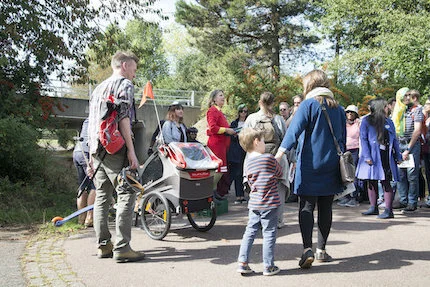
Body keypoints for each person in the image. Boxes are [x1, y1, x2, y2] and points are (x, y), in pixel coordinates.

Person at [275, 69, 345, 269]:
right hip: (331, 166)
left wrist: (278, 156)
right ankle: (322, 250)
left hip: (309, 165)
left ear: (310, 86)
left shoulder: (308, 105)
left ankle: (308, 249)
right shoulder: (338, 108)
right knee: (326, 208)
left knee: (306, 207)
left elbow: (293, 132)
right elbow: (342, 140)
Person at [87, 51, 145, 263]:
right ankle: (122, 247)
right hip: (116, 146)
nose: (134, 74)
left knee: (102, 196)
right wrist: (131, 150)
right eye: (134, 68)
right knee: (127, 192)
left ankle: (104, 246)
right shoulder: (125, 85)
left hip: (97, 148)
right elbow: (123, 117)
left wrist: (90, 158)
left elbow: (91, 123)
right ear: (123, 65)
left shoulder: (98, 88)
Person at [236, 128, 282, 276]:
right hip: (269, 202)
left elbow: (249, 183)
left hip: (254, 203)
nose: (264, 144)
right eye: (263, 141)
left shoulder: (248, 163)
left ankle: (242, 262)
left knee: (249, 232)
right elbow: (279, 173)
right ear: (256, 142)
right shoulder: (268, 158)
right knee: (269, 233)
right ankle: (268, 266)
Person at [244, 92, 288, 229]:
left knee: (255, 189)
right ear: (273, 104)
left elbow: (244, 138)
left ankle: (256, 220)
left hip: (254, 159)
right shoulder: (278, 119)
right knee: (279, 189)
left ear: (259, 102)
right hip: (276, 158)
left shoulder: (251, 118)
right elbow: (286, 139)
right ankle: (278, 220)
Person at [356, 98, 402, 218]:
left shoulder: (389, 122)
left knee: (386, 182)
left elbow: (395, 141)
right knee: (371, 181)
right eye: (386, 106)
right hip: (371, 155)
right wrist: (366, 156)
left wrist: (398, 155)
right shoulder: (366, 121)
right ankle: (373, 207)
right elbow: (363, 139)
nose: (388, 108)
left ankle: (388, 210)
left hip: (386, 156)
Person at [392, 88, 423, 212]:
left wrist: (408, 149)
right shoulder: (399, 111)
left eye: (408, 96)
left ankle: (412, 201)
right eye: (405, 96)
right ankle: (403, 200)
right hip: (399, 144)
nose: (406, 98)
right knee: (400, 174)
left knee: (412, 175)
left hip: (411, 144)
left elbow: (417, 130)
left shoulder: (417, 110)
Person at [206, 90, 236, 199]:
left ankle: (214, 192)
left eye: (223, 95)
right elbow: (212, 127)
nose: (223, 97)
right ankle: (211, 192)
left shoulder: (219, 112)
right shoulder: (212, 111)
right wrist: (227, 130)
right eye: (220, 95)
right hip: (216, 146)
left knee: (221, 171)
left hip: (222, 146)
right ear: (214, 99)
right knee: (217, 170)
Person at [73, 118, 96, 227]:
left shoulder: (87, 120)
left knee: (82, 186)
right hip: (87, 153)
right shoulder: (97, 118)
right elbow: (93, 140)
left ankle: (81, 218)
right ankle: (90, 218)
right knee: (94, 186)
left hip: (77, 151)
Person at [337, 105, 360, 207]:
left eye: (352, 112)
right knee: (344, 173)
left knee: (353, 174)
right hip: (344, 150)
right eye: (348, 112)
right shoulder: (343, 123)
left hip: (355, 150)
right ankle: (346, 196)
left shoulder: (359, 124)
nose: (349, 114)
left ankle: (354, 197)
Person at [227, 104, 248, 204]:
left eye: (245, 111)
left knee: (244, 172)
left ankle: (243, 195)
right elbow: (229, 136)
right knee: (236, 173)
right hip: (236, 150)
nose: (243, 113)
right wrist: (236, 135)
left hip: (246, 150)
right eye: (241, 111)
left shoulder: (249, 122)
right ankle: (238, 195)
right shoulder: (234, 123)